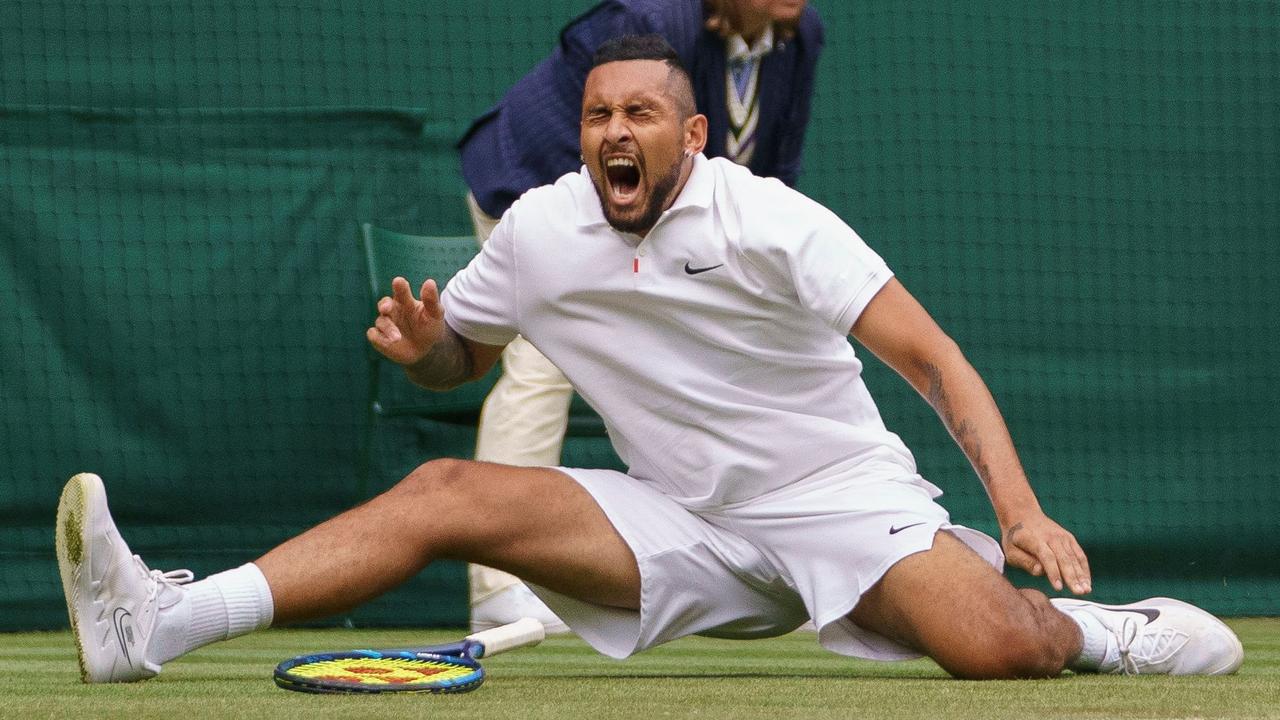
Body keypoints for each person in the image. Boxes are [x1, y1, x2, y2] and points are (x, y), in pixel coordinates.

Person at [57, 36, 1243, 684]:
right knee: (442, 493)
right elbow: (461, 359)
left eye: (637, 117)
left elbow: (929, 359)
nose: (611, 133)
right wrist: (430, 351)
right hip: (676, 518)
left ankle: (1104, 633)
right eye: (593, 116)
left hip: (840, 502)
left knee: (994, 648)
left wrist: (1020, 509)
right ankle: (157, 623)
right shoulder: (539, 230)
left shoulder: (770, 220)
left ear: (688, 135)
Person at [458, 0, 822, 633]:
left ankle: (773, 554)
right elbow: (594, 143)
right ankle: (498, 591)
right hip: (537, 184)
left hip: (664, 212)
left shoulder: (799, 34)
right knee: (545, 364)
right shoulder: (647, 23)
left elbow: (775, 170)